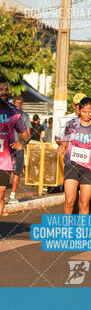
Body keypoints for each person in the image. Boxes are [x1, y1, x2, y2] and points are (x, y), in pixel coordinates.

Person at [57, 97, 91, 215]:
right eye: (84, 111)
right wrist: (62, 147)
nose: (87, 114)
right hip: (71, 165)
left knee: (84, 203)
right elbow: (65, 142)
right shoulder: (71, 124)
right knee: (69, 200)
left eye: (90, 112)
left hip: (88, 168)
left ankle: (82, 231)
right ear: (79, 110)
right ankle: (67, 229)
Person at [0, 76, 29, 215]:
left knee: (0, 194)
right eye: (1, 89)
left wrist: (21, 142)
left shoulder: (14, 112)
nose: (4, 92)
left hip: (4, 159)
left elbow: (25, 134)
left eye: (6, 89)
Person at [8, 96, 31, 205]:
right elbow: (28, 135)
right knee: (16, 173)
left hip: (6, 147)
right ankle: (12, 196)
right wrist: (22, 144)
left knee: (4, 171)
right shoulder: (25, 116)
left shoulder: (6, 114)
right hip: (19, 147)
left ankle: (2, 194)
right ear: (22, 105)